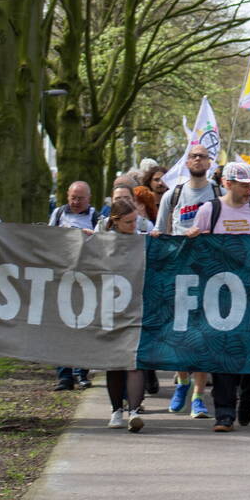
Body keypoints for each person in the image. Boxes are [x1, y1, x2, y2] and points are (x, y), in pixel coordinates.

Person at [185, 161, 250, 432]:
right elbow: (194, 252)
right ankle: (224, 414)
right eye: (245, 185)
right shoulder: (209, 211)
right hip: (220, 295)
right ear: (227, 184)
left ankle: (247, 395)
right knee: (223, 353)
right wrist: (191, 239)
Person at [151, 144, 221, 418]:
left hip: (210, 271)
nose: (198, 160)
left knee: (203, 334)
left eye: (203, 156)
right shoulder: (174, 194)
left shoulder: (219, 193)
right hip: (179, 271)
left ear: (209, 162)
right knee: (180, 332)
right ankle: (181, 382)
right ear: (187, 161)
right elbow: (159, 230)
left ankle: (198, 397)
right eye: (193, 156)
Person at [103, 200, 147, 432]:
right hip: (111, 308)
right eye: (128, 222)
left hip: (136, 308)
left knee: (134, 362)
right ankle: (115, 410)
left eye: (135, 221)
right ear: (116, 221)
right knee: (115, 363)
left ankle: (135, 411)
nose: (133, 226)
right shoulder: (102, 242)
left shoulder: (143, 240)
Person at [50, 181, 98, 391]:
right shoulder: (59, 214)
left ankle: (82, 371)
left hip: (87, 278)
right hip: (62, 277)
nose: (76, 202)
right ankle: (64, 376)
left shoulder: (97, 217)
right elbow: (47, 239)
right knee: (60, 328)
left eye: (80, 198)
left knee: (85, 326)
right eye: (73, 198)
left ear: (89, 198)